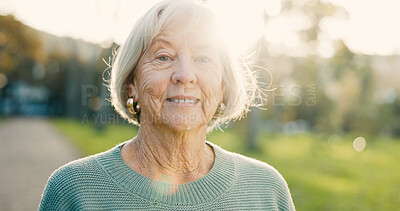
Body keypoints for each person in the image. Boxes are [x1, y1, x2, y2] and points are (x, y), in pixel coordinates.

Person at [39, 0, 295, 210]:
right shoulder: (72, 189)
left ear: (223, 87)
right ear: (132, 84)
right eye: (163, 56)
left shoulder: (266, 190)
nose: (185, 74)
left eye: (203, 58)